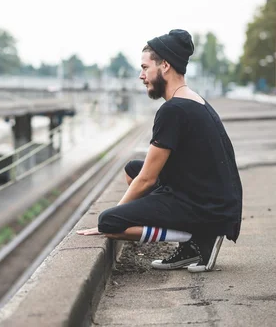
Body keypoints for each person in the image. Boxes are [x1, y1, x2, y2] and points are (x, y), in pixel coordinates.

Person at [77, 29, 242, 273]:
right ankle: (191, 244)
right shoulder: (194, 100)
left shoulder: (173, 110)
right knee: (132, 168)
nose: (140, 75)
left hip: (207, 210)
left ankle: (195, 239)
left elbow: (147, 179)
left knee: (109, 222)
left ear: (164, 65)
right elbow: (144, 173)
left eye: (145, 68)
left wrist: (116, 214)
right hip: (215, 201)